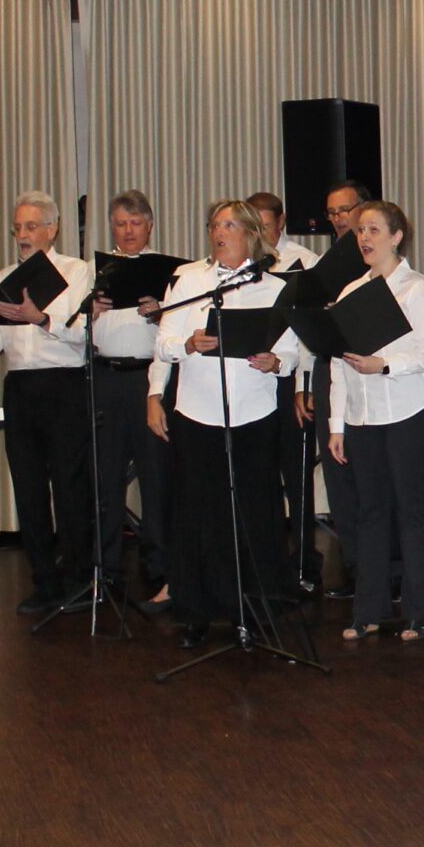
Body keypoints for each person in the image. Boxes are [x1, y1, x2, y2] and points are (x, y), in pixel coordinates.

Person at [153, 199, 300, 650]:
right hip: (197, 412)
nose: (221, 231)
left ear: (252, 233)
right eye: (215, 224)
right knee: (198, 513)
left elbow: (294, 351)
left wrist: (277, 361)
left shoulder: (274, 287)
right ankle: (195, 611)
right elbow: (162, 343)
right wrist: (189, 344)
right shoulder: (189, 282)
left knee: (254, 511)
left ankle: (254, 608)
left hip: (253, 413)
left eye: (231, 224)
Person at [0, 190, 95, 615]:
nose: (22, 234)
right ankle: (44, 581)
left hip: (65, 385)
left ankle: (79, 580)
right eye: (17, 227)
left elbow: (82, 333)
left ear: (52, 228)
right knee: (28, 488)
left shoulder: (76, 272)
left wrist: (38, 317)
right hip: (20, 388)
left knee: (70, 486)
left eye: (30, 226)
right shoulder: (6, 274)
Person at [326, 200, 424, 642]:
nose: (364, 238)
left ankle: (419, 612)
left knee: (411, 510)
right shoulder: (350, 291)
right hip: (362, 415)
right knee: (370, 512)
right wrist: (337, 425)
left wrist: (385, 364)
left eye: (374, 230)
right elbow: (337, 364)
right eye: (361, 231)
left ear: (396, 237)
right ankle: (368, 610)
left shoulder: (418, 289)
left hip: (410, 410)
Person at [89, 190, 176, 604]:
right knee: (105, 480)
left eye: (135, 223)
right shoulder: (94, 273)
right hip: (105, 377)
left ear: (150, 225)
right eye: (121, 223)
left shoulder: (172, 275)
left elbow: (179, 334)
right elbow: (70, 334)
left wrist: (161, 311)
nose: (128, 231)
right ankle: (105, 572)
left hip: (149, 381)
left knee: (156, 477)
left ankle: (161, 569)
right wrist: (89, 314)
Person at [247, 190, 324, 593]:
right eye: (252, 223)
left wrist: (302, 385)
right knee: (259, 474)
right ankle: (268, 562)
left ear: (281, 221)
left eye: (265, 222)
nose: (260, 230)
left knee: (297, 477)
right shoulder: (244, 267)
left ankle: (304, 564)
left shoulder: (306, 263)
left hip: (291, 381)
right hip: (254, 379)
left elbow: (310, 333)